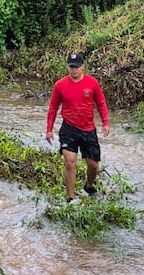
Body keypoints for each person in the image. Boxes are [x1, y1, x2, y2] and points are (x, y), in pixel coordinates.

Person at [45, 52, 110, 203]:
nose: (74, 70)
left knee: (93, 164)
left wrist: (105, 123)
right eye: (71, 67)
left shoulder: (92, 83)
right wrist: (49, 129)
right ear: (68, 67)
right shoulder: (60, 85)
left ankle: (88, 185)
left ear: (83, 67)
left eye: (76, 67)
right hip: (69, 129)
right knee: (70, 162)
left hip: (88, 129)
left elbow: (101, 104)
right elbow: (53, 107)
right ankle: (70, 198)